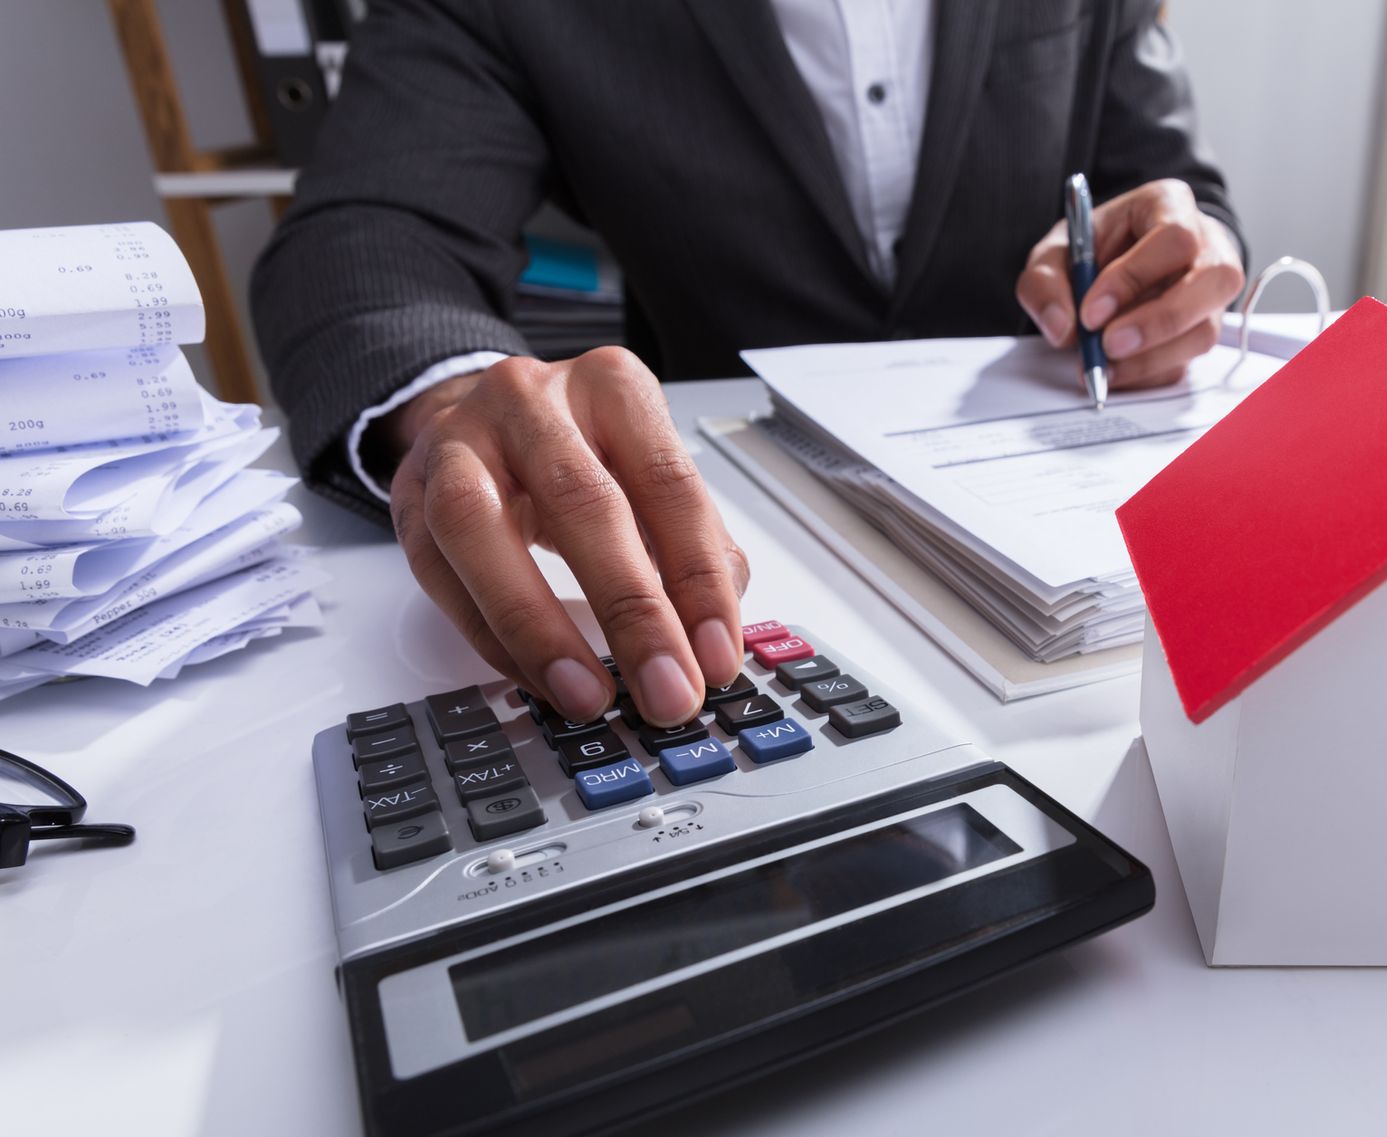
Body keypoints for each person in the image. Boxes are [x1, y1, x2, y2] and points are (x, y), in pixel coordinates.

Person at [252, 0, 1244, 729]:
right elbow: (365, 232)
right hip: (740, 535)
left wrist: (1174, 253)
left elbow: (1171, 186)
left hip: (1083, 560)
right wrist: (456, 400)